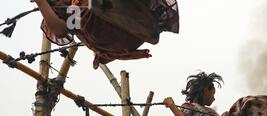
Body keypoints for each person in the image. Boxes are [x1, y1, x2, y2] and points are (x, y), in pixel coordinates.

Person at [35, 0, 179, 68]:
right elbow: (61, 31)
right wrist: (41, 2)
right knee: (76, 14)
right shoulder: (60, 8)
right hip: (107, 32)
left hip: (129, 24)